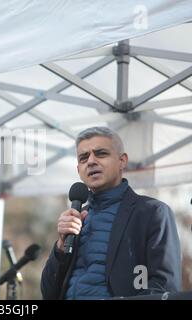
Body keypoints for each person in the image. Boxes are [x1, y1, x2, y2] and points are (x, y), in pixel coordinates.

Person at [40, 126, 181, 300]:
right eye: (83, 157)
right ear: (78, 170)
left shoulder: (152, 212)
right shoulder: (76, 218)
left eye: (100, 153)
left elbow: (164, 286)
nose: (91, 161)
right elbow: (48, 293)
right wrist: (60, 246)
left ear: (122, 161)